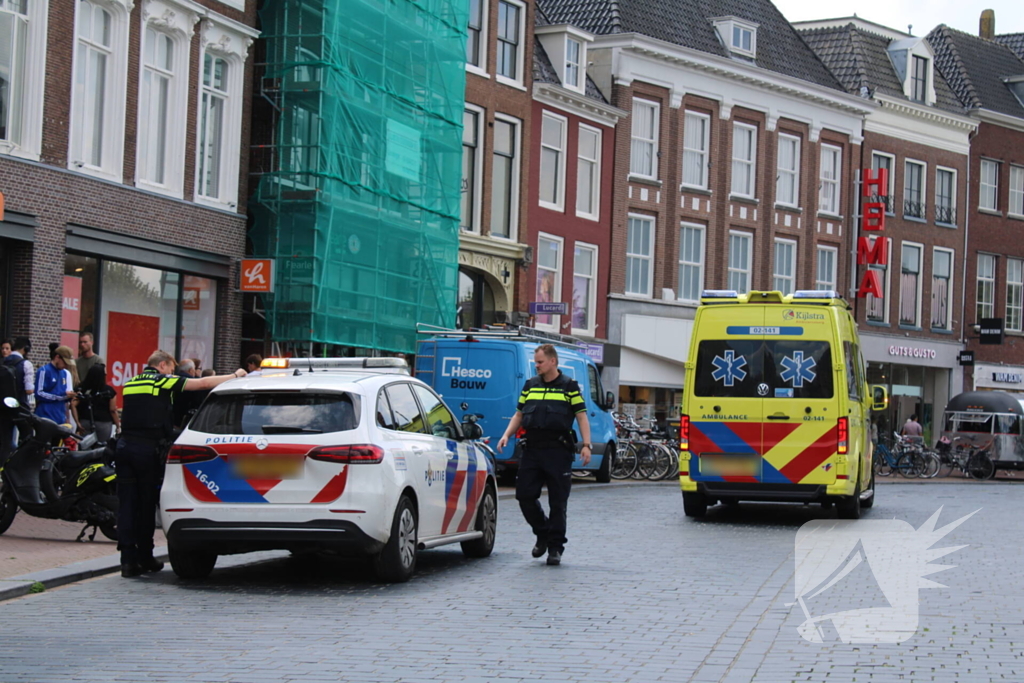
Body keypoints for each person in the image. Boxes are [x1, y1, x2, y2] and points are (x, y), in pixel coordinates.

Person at [116, 350, 246, 578]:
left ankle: (127, 560)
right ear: (163, 365)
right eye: (171, 368)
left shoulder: (131, 383)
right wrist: (235, 376)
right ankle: (145, 557)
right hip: (146, 450)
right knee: (146, 504)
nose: (171, 372)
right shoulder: (160, 381)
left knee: (127, 505)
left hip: (124, 447)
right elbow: (202, 383)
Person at [497, 344, 591, 567]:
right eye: (536, 362)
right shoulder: (530, 385)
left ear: (553, 362)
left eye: (540, 362)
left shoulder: (569, 387)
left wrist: (586, 445)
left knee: (558, 502)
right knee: (524, 495)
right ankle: (543, 533)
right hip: (532, 450)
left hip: (558, 451)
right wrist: (506, 435)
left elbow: (581, 417)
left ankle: (555, 548)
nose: (536, 366)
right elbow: (519, 414)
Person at [78, 364, 120, 443]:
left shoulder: (83, 388)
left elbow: (73, 404)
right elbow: (112, 410)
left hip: (85, 421)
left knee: (84, 448)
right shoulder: (109, 391)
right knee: (101, 448)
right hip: (103, 423)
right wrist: (118, 425)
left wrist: (77, 421)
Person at [34, 346, 75, 424]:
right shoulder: (44, 370)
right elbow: (39, 393)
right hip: (45, 417)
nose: (66, 365)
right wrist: (62, 396)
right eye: (65, 362)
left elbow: (64, 398)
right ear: (57, 357)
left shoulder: (65, 373)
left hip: (60, 417)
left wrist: (69, 397)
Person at [3, 337, 34, 411]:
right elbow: (29, 390)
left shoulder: (2, 361)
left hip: (3, 406)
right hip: (19, 406)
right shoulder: (26, 364)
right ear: (25, 349)